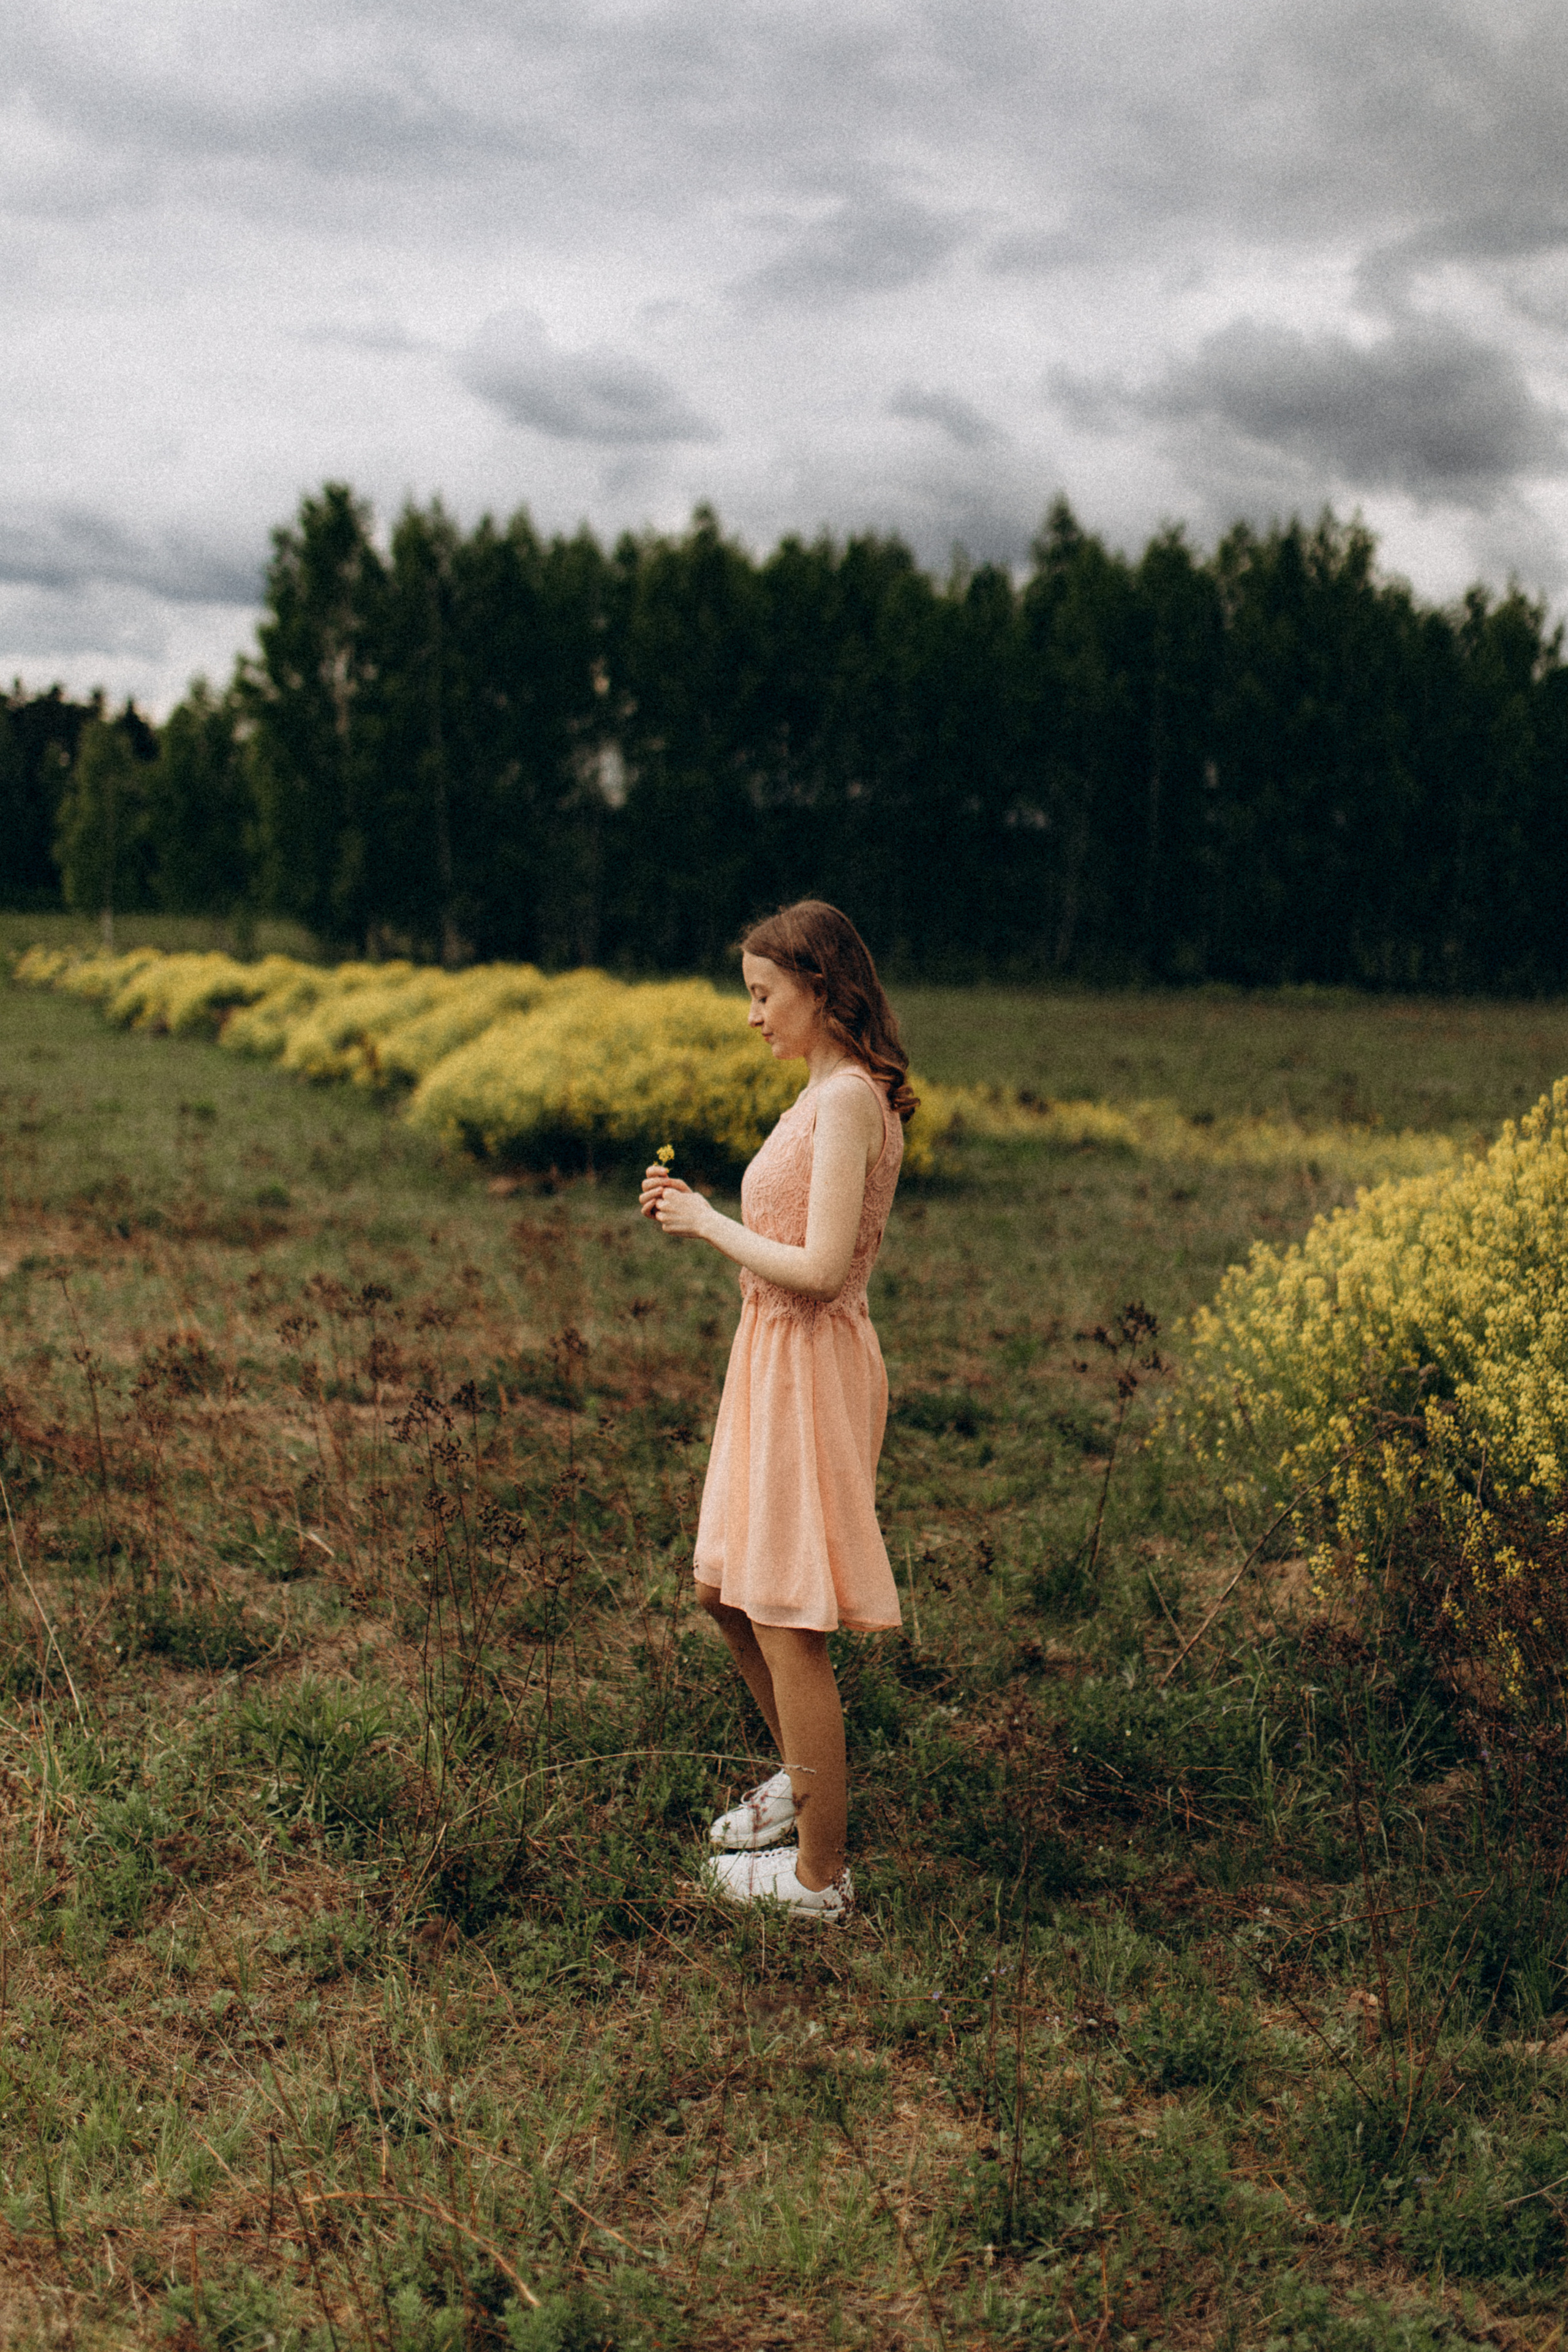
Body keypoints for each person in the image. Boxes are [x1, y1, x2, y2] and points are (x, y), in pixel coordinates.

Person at [639, 900, 916, 1918]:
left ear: (822, 988)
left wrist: (707, 1224)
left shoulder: (848, 1100)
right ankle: (806, 1781)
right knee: (724, 1589)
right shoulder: (820, 1094)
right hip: (770, 1359)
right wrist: (696, 1213)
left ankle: (820, 1878)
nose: (752, 1015)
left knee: (788, 1614)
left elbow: (823, 1266)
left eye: (764, 994)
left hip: (811, 1363)